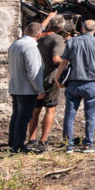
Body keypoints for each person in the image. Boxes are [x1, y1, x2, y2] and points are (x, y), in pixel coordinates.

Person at [54, 19, 95, 153]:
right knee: (90, 116)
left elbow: (64, 62)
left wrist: (57, 78)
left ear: (82, 29)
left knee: (70, 115)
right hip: (91, 83)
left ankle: (69, 144)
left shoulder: (72, 42)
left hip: (73, 83)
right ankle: (88, 144)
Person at [25, 13, 66, 153]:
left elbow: (41, 27)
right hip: (51, 78)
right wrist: (67, 62)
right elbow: (56, 58)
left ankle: (31, 139)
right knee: (50, 108)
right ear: (61, 27)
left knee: (35, 110)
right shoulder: (58, 39)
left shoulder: (38, 36)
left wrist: (49, 17)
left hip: (37, 77)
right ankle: (43, 140)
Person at [7, 22, 46, 153]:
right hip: (27, 88)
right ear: (39, 34)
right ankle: (18, 146)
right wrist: (39, 89)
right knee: (23, 118)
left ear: (25, 30)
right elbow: (34, 71)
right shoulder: (31, 47)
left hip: (16, 85)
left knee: (17, 115)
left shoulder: (15, 44)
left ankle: (13, 141)